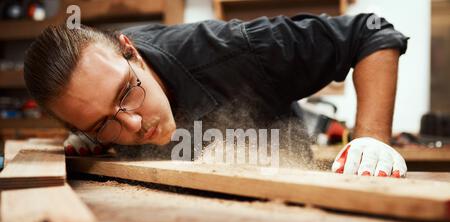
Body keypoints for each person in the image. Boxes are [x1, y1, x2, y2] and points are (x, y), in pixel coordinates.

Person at [24, 13, 408, 176]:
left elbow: (369, 32)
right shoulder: (95, 89)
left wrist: (371, 137)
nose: (135, 124)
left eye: (127, 92)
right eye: (105, 122)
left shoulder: (236, 49)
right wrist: (93, 138)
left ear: (131, 51)